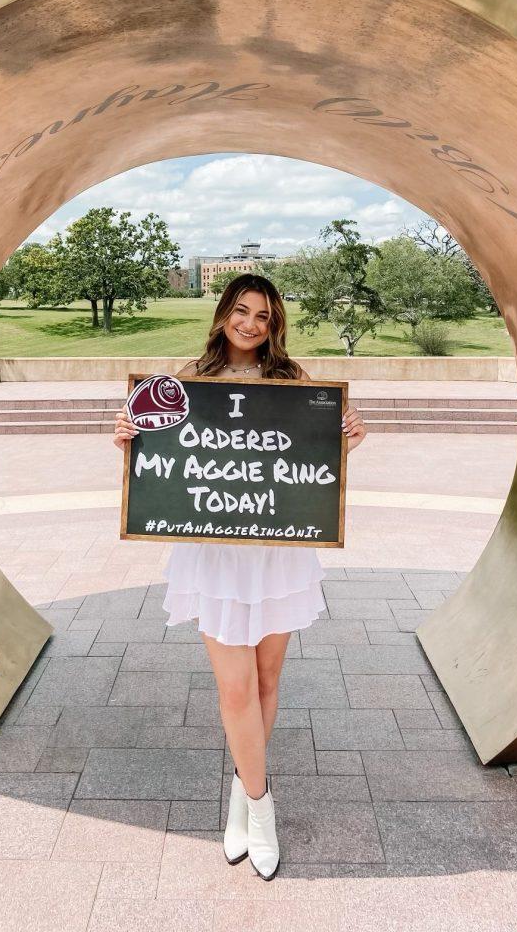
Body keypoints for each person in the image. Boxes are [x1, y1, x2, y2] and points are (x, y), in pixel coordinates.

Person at [113, 273, 366, 881]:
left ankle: (238, 791)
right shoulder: (183, 384)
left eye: (264, 316)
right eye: (241, 311)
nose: (251, 324)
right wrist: (128, 443)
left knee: (266, 680)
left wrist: (348, 443)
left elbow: (309, 461)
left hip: (277, 550)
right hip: (217, 555)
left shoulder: (294, 384)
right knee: (235, 691)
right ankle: (262, 806)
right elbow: (163, 465)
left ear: (275, 325)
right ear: (223, 313)